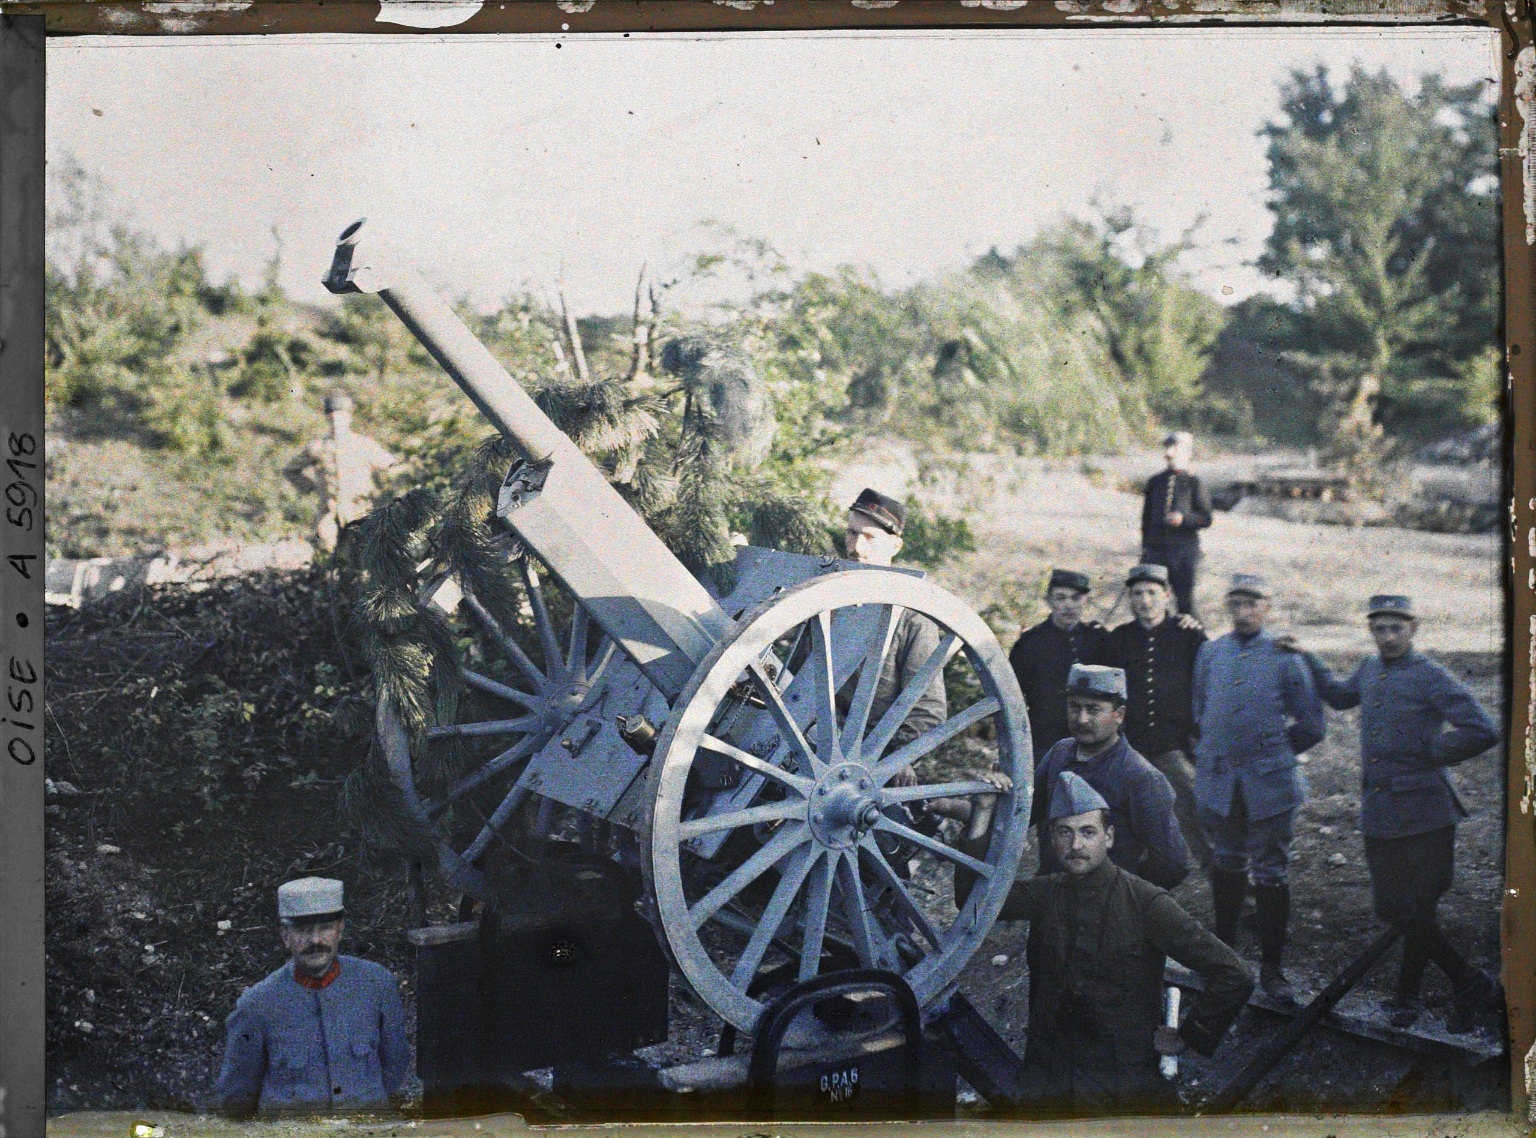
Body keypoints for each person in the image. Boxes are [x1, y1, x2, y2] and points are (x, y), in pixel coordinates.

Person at [1283, 594, 1502, 1032]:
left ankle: (1410, 996)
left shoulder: (1430, 675)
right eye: (1379, 629)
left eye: (1395, 628)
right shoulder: (1369, 667)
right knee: (1395, 910)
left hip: (1427, 813)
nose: (1386, 637)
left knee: (1417, 908)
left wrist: (1433, 751)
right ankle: (1468, 981)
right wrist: (1309, 658)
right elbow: (1342, 697)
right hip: (1381, 813)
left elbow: (1483, 729)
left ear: (1413, 629)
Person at [990, 771, 1253, 1116]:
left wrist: (1188, 1035)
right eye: (1064, 833)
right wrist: (980, 820)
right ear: (1051, 838)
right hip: (1049, 1076)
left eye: (1088, 832)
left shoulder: (1145, 902)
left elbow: (1234, 973)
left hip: (1120, 1085)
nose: (1076, 846)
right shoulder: (1044, 894)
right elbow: (976, 902)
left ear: (1109, 836)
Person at [1192, 574, 1325, 1005]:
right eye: (1237, 604)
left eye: (1254, 604)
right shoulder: (1211, 653)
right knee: (1227, 863)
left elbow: (1311, 724)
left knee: (1271, 871)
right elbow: (1200, 710)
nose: (1245, 612)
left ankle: (1272, 968)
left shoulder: (1286, 657)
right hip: (1221, 782)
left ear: (1268, 608)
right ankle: (1224, 958)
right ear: (1228, 607)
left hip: (1270, 784)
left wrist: (1273, 755)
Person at [217, 877, 410, 1118]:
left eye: (325, 927)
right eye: (303, 930)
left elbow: (395, 1065)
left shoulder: (377, 984)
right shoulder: (257, 1004)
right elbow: (236, 1098)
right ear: (285, 936)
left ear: (340, 929)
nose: (316, 940)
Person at [1032, 664, 1190, 889]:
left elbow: (1173, 864)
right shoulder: (1060, 752)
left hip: (1105, 911)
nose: (1082, 719)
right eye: (1074, 707)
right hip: (1052, 899)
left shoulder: (1140, 776)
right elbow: (1022, 812)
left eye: (1094, 709)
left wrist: (1124, 896)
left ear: (1119, 715)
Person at [1103, 563, 1211, 868]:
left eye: (1152, 593)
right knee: (1125, 827)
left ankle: (1232, 895)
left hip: (1175, 748)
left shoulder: (1188, 635)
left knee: (1198, 820)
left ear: (1166, 595)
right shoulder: (1118, 639)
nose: (1145, 601)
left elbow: (1208, 687)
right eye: (1137, 594)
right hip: (1131, 750)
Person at [842, 488, 947, 781]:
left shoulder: (913, 619)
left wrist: (892, 757)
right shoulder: (826, 599)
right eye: (852, 533)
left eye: (870, 537)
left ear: (895, 546)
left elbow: (928, 711)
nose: (857, 548)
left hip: (873, 763)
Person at [1010, 569, 1110, 765]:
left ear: (1085, 600)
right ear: (1049, 600)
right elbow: (1013, 697)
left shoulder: (1098, 639)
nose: (1069, 605)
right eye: (1061, 598)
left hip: (1093, 739)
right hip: (1045, 740)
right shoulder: (1030, 643)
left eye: (1076, 598)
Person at [283, 392, 399, 552]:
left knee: (362, 551)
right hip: (329, 510)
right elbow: (290, 470)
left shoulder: (363, 444)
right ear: (327, 419)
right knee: (325, 547)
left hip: (359, 509)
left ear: (349, 417)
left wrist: (384, 492)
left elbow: (391, 465)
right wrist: (311, 487)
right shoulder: (317, 447)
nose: (336, 422)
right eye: (332, 417)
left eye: (341, 417)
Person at [1140, 431, 1213, 617]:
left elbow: (1206, 518)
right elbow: (1146, 520)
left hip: (1184, 554)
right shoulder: (1155, 482)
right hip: (1155, 552)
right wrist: (1146, 547)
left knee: (1185, 604)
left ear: (1187, 453)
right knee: (1150, 601)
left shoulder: (1194, 483)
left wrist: (1184, 519)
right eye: (1167, 448)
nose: (1169, 453)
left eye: (1175, 448)